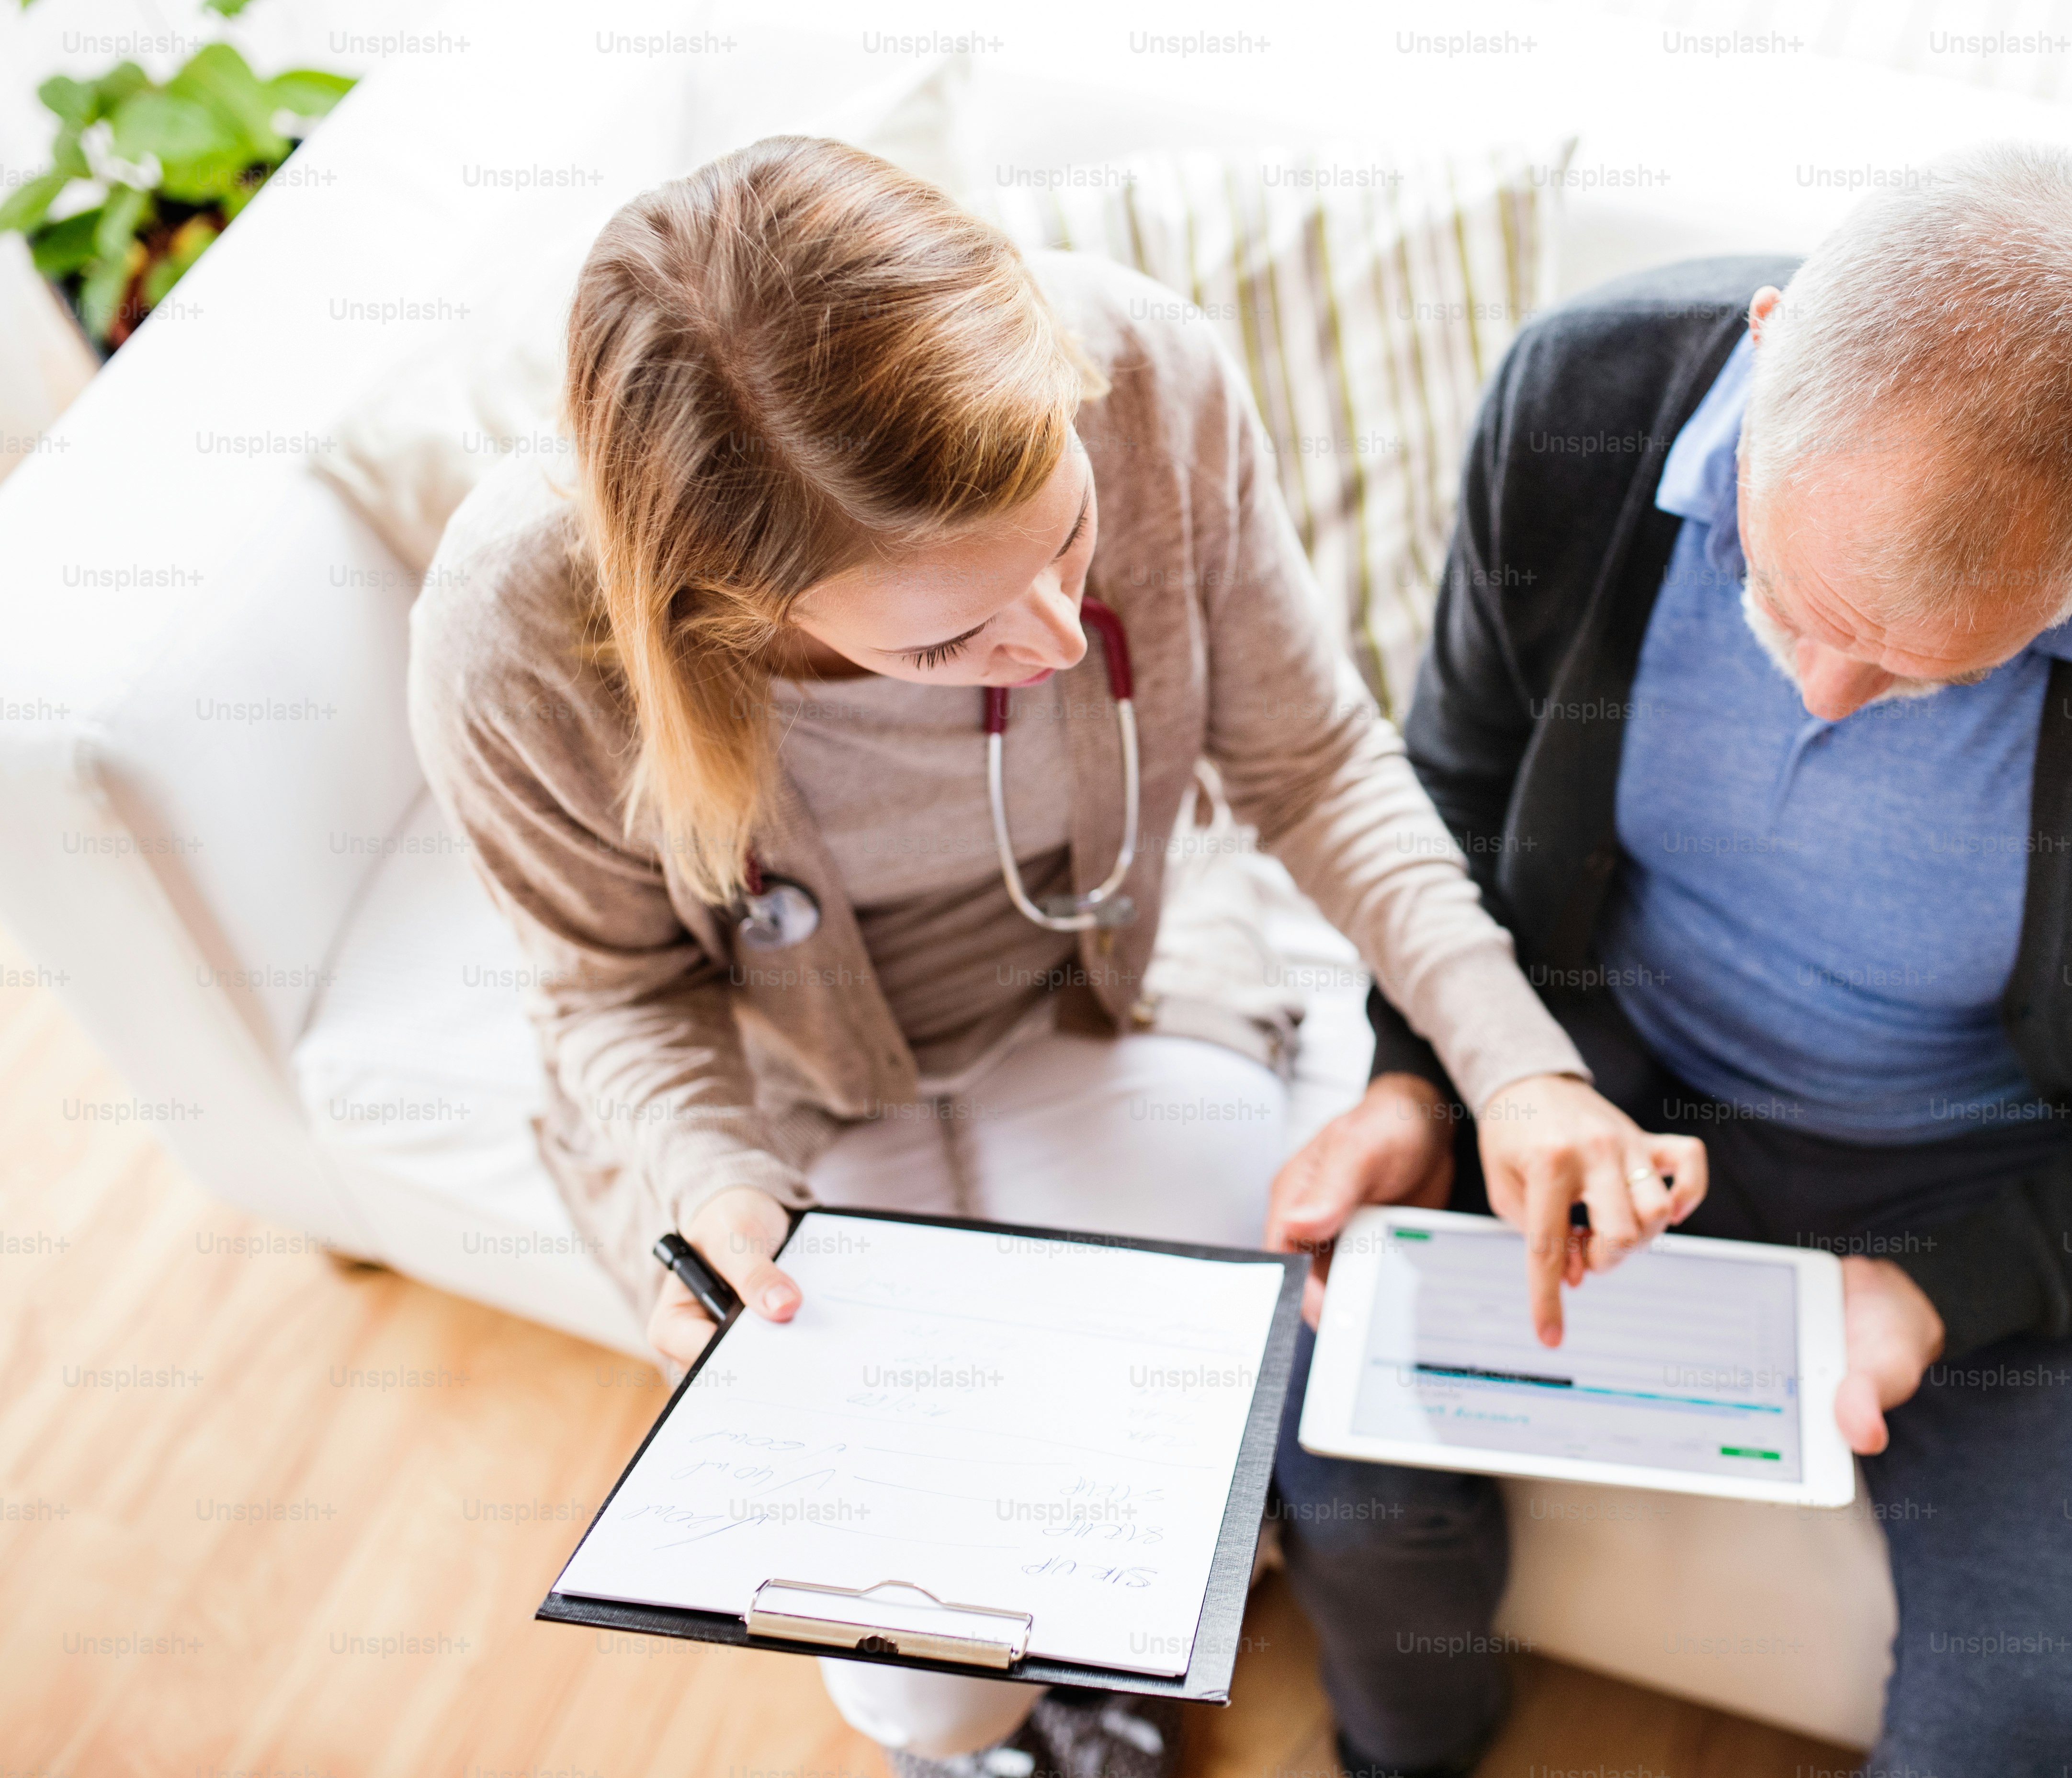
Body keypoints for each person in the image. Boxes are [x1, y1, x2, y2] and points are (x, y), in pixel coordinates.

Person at [405, 137, 1707, 1778]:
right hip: (788, 1105)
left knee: (1221, 1456)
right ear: (718, 602)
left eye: (1067, 541)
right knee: (927, 1672)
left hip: (1116, 996)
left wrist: (1518, 1066)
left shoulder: (1146, 375)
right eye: (947, 638)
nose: (1049, 639)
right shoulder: (519, 624)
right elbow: (607, 989)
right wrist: (712, 1187)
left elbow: (1311, 765)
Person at [1265, 141, 2072, 1777]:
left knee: (2034, 1729)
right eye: (1784, 588)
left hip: (2012, 1176)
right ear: (1767, 340)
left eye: (1927, 670)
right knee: (1344, 1475)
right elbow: (1451, 783)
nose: (1818, 692)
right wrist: (1419, 1077)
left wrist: (1942, 1295)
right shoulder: (1577, 399)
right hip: (1593, 1076)